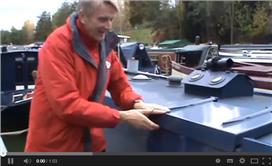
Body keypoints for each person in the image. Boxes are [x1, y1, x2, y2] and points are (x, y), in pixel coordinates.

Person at [25, 0, 169, 152]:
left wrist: (137, 103)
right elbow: (67, 105)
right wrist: (122, 117)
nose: (108, 26)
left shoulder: (104, 47)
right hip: (55, 146)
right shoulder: (57, 46)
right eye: (102, 19)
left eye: (111, 19)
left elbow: (120, 85)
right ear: (83, 16)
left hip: (93, 144)